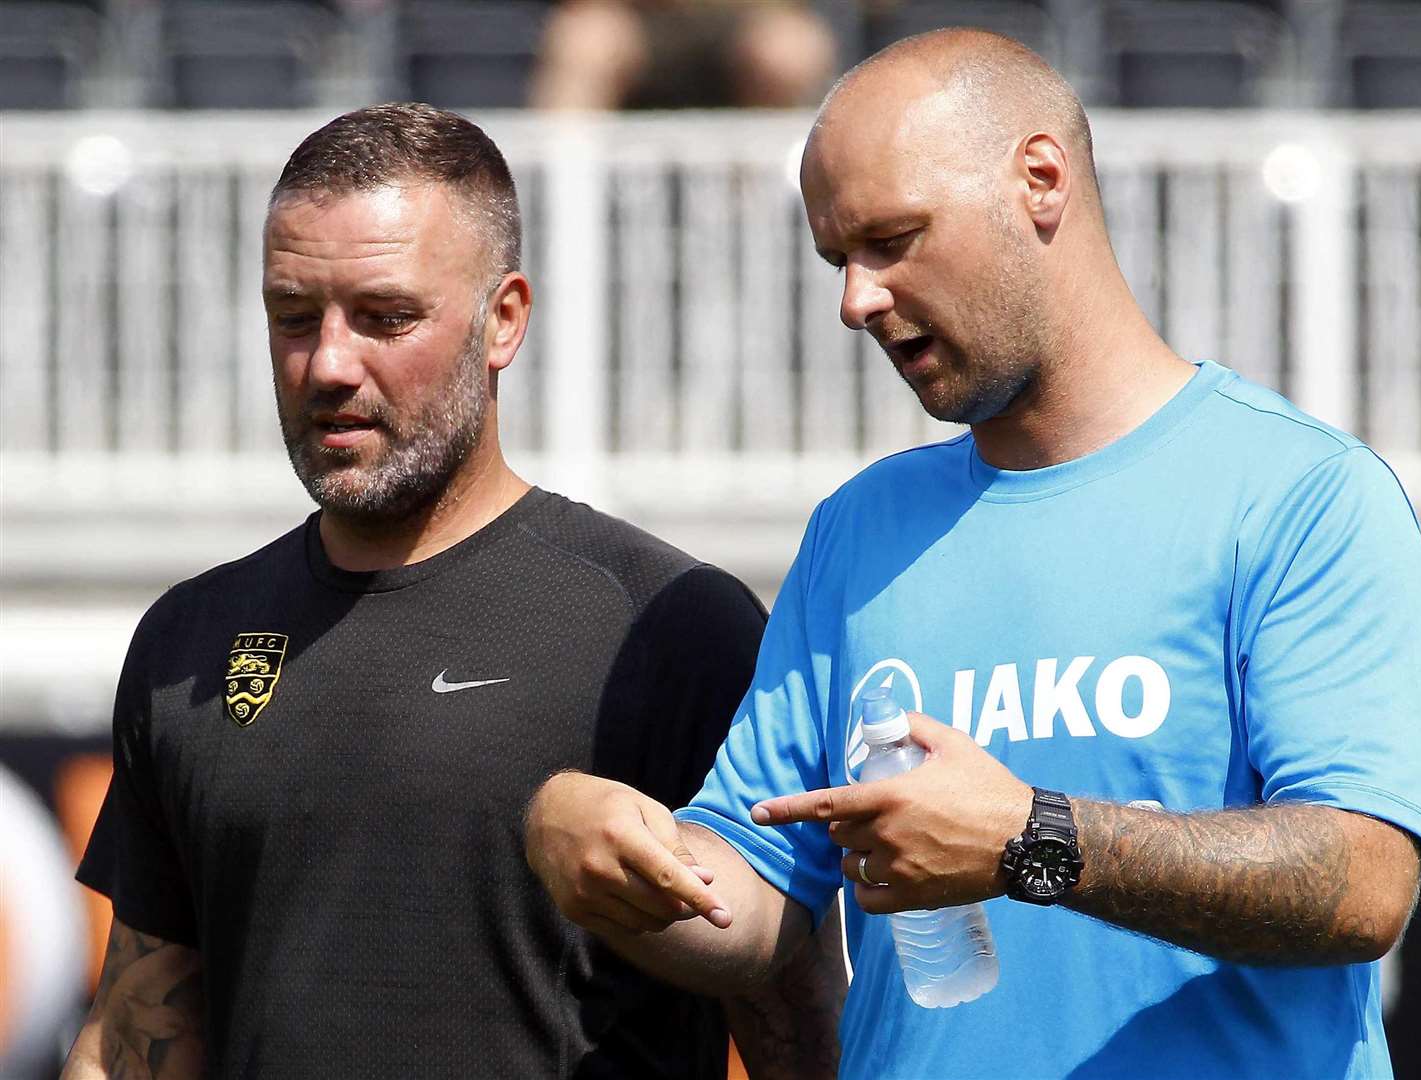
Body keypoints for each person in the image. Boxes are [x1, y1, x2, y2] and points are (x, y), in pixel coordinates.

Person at [523, 28, 1421, 1080]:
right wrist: (605, 849)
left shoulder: (1301, 494)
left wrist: (1032, 838)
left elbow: (1364, 884)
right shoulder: (856, 531)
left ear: (1039, 180)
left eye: (892, 239)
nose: (855, 300)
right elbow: (757, 898)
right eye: (839, 258)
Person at [61, 103, 845, 1079]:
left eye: (386, 318)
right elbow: (136, 1035)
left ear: (503, 319)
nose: (329, 365)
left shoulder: (668, 627)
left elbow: (801, 1033)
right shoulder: (191, 639)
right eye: (294, 316)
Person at [531, 0, 838, 110]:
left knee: (789, 48)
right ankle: (566, 221)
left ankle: (760, 215)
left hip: (739, 19)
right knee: (585, 40)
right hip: (637, 19)